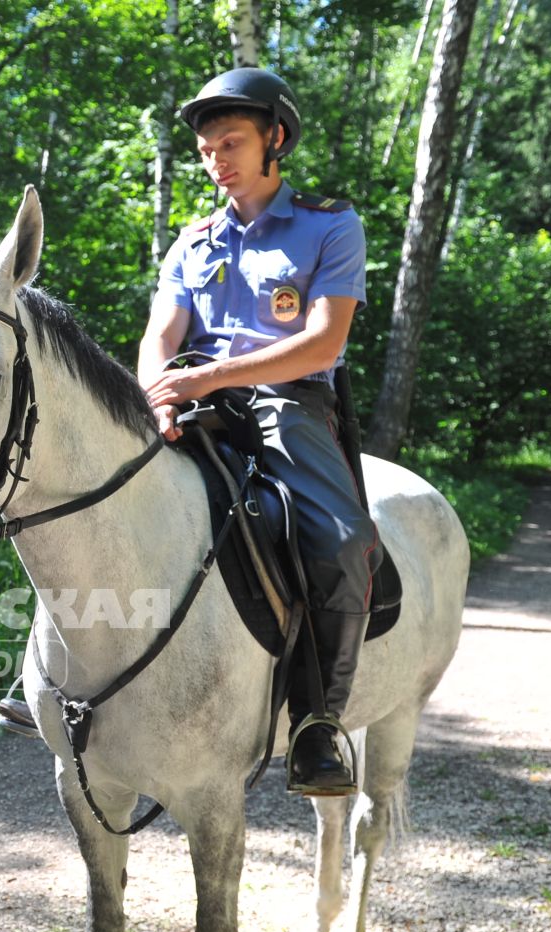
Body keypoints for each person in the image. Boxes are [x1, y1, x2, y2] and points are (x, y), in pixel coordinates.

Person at [137, 68, 379, 797]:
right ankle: (53, 677)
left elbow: (323, 344)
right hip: (188, 401)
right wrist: (155, 395)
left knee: (341, 544)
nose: (218, 159)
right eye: (208, 149)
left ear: (276, 137)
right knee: (80, 483)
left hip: (286, 405)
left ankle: (316, 724)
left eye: (232, 142)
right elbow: (160, 334)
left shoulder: (330, 224)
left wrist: (210, 378)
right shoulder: (193, 242)